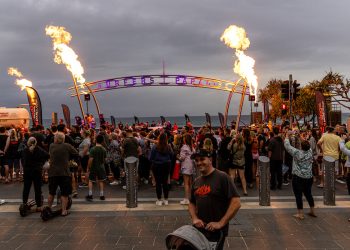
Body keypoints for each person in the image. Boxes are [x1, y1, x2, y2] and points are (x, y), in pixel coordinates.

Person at [189, 149, 241, 250]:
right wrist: (195, 218)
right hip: (200, 230)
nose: (199, 163)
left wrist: (221, 223)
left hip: (217, 232)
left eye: (202, 159)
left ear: (210, 159)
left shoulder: (222, 177)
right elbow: (191, 203)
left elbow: (236, 202)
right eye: (196, 160)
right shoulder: (196, 181)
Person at [284, 132, 316, 220]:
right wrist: (300, 136)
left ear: (301, 147)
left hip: (298, 177)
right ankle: (312, 210)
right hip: (308, 177)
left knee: (298, 195)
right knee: (308, 194)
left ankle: (300, 214)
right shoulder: (310, 152)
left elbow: (287, 146)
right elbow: (305, 143)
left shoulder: (297, 153)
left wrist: (287, 136)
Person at [48, 132, 79, 216]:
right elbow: (76, 153)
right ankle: (64, 211)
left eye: (54, 137)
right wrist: (68, 158)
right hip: (64, 173)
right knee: (64, 193)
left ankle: (49, 208)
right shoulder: (67, 146)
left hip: (52, 172)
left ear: (56, 139)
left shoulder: (51, 146)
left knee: (51, 192)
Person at [22, 137, 49, 211]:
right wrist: (42, 162)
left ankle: (24, 203)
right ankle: (39, 206)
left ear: (28, 142)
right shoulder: (38, 149)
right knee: (37, 188)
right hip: (37, 171)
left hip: (27, 171)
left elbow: (23, 161)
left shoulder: (25, 150)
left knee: (26, 188)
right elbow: (47, 155)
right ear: (36, 142)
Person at [149, 133, 173, 205]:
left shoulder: (155, 146)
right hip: (166, 165)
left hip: (157, 165)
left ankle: (159, 200)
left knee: (158, 183)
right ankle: (166, 200)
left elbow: (151, 157)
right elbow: (172, 155)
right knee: (165, 182)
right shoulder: (168, 147)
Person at [85, 135, 107, 201]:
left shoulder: (93, 149)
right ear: (102, 141)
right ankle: (102, 195)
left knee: (91, 180)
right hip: (101, 167)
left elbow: (90, 159)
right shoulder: (104, 149)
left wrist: (88, 168)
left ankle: (90, 194)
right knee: (101, 181)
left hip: (93, 167)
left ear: (96, 140)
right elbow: (105, 160)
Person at [178, 134, 195, 205]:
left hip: (186, 165)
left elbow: (182, 158)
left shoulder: (184, 147)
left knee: (186, 183)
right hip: (191, 165)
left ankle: (186, 199)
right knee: (190, 183)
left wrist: (178, 157)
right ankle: (191, 198)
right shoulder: (192, 147)